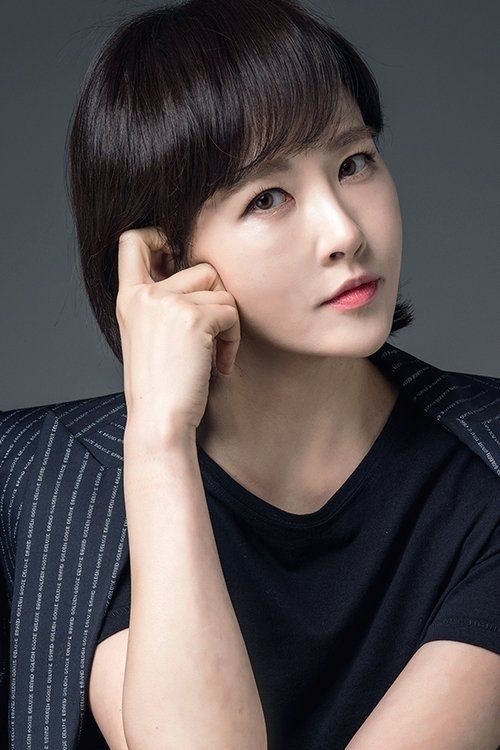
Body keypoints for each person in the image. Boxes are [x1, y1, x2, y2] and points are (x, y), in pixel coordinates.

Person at [0, 1, 498, 748]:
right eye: (267, 198)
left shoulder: (486, 468)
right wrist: (159, 439)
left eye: (354, 162)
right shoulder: (44, 484)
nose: (344, 232)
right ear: (162, 261)